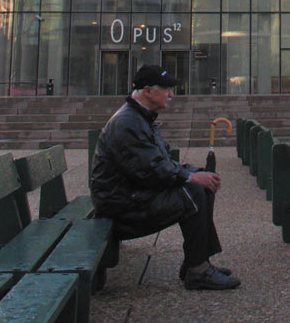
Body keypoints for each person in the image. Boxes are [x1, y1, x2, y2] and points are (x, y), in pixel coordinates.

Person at [90, 64, 240, 291]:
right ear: (148, 91)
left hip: (130, 197)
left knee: (202, 184)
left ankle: (197, 262)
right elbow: (151, 170)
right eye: (167, 89)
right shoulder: (127, 123)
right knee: (194, 192)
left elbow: (163, 161)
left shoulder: (140, 118)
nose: (171, 95)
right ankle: (197, 271)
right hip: (120, 208)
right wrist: (191, 178)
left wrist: (195, 173)